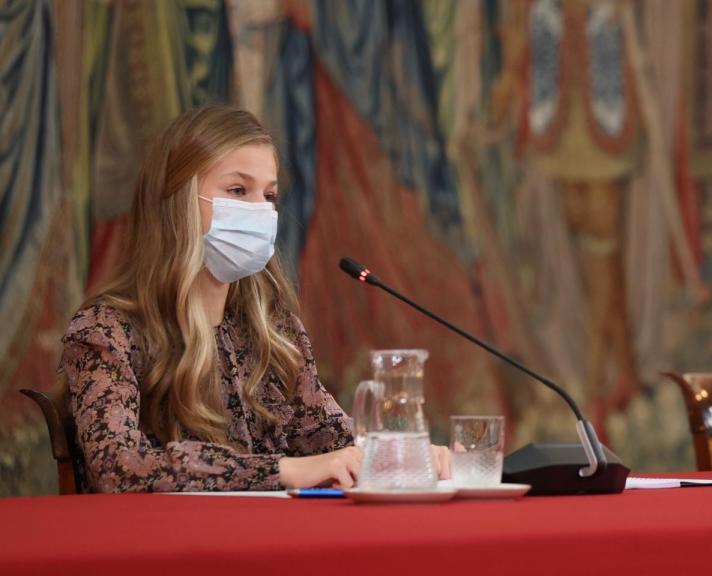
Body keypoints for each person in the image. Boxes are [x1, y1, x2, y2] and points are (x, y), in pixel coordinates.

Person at [60, 106, 450, 492]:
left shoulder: (272, 329)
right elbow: (118, 466)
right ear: (177, 200)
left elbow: (329, 439)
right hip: (165, 534)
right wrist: (283, 470)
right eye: (237, 190)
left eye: (270, 195)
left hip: (268, 531)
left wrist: (403, 456)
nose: (260, 211)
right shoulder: (106, 330)